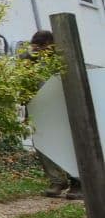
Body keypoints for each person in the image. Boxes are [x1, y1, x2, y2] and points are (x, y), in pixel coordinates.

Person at [24, 29, 84, 200]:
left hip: (63, 109)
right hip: (40, 110)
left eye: (43, 46)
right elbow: (26, 88)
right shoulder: (31, 62)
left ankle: (78, 181)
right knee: (42, 143)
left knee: (69, 144)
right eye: (37, 46)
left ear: (52, 45)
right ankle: (57, 180)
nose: (40, 50)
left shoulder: (63, 60)